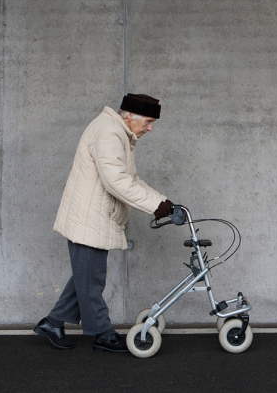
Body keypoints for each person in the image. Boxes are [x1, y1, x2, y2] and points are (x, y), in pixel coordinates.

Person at [33, 93, 175, 353]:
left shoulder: (118, 133)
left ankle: (52, 323)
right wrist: (156, 207)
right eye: (148, 121)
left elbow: (130, 178)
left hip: (93, 217)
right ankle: (102, 334)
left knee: (85, 278)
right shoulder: (110, 133)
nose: (150, 128)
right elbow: (116, 182)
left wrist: (165, 202)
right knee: (92, 281)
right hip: (89, 219)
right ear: (129, 116)